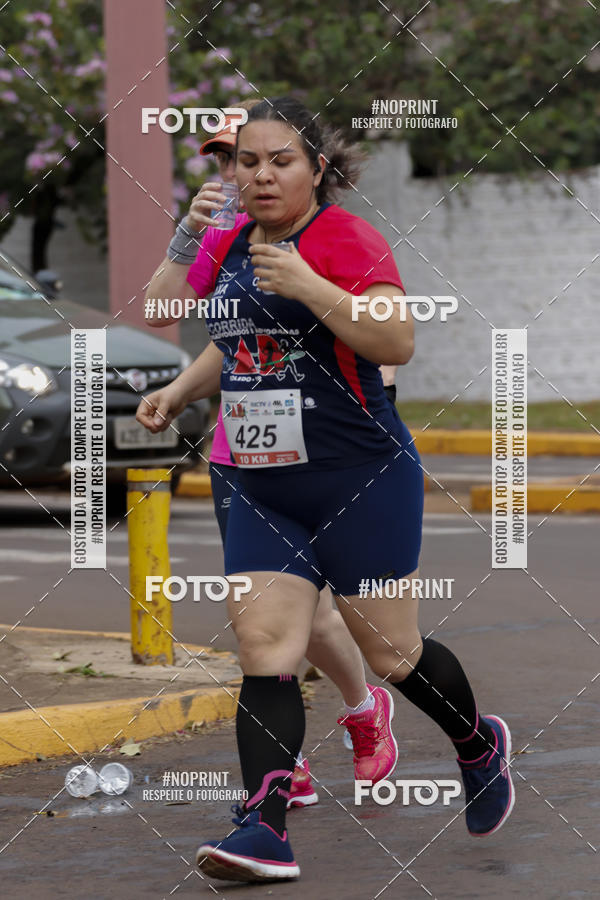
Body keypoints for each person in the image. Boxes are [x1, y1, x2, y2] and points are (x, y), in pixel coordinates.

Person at [138, 97, 514, 884]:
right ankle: (262, 831)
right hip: (256, 480)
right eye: (248, 162)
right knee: (265, 647)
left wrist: (312, 285)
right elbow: (188, 320)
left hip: (358, 474)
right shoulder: (230, 240)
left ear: (316, 169)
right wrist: (180, 389)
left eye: (281, 161)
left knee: (390, 653)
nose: (262, 175)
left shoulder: (344, 238)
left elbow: (396, 338)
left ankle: (478, 743)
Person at [144, 103, 399, 808]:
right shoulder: (220, 236)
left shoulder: (319, 234)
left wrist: (379, 397)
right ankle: (282, 764)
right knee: (266, 621)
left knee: (324, 616)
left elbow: (371, 329)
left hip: (333, 454)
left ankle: (361, 710)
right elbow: (212, 336)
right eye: (228, 159)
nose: (238, 172)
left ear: (299, 166)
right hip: (246, 457)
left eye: (254, 157)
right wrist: (178, 388)